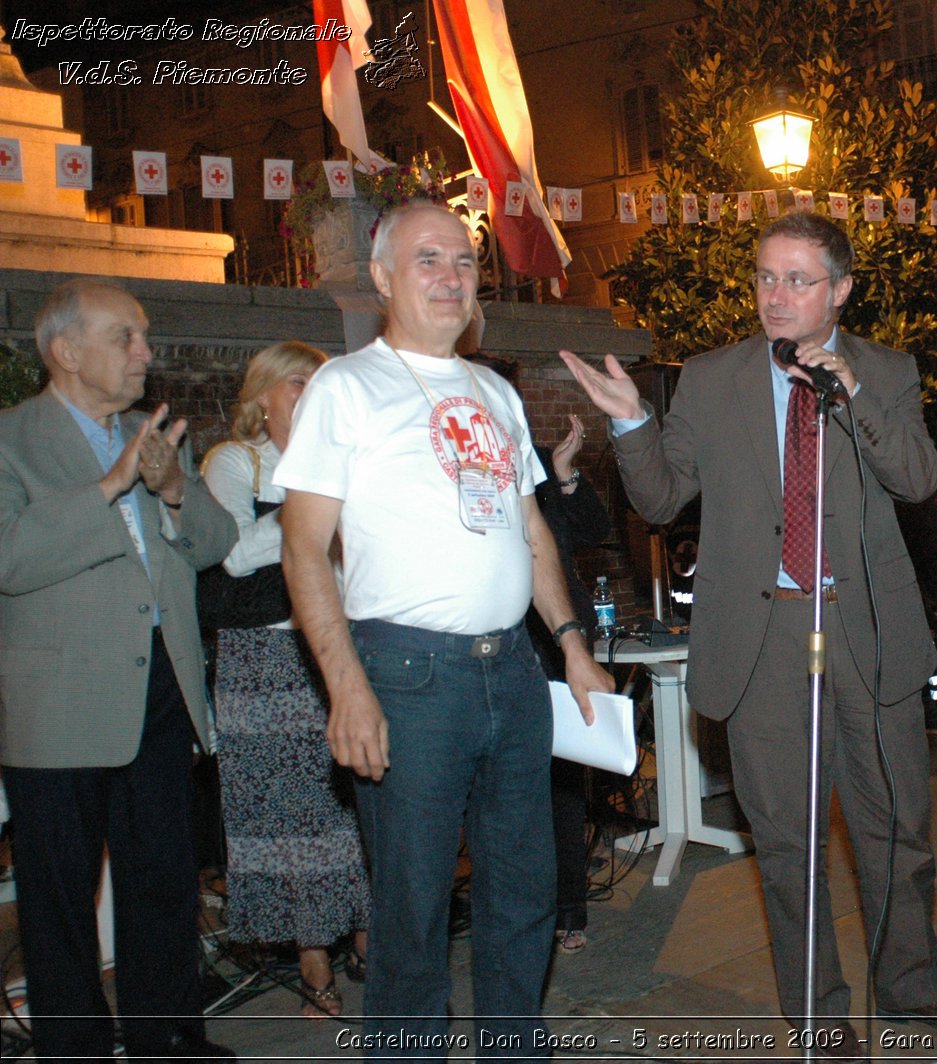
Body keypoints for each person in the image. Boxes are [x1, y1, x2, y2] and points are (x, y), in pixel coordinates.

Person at [560, 211, 937, 1058]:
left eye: (798, 280)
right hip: (762, 641)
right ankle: (818, 1015)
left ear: (839, 290)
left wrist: (852, 393)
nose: (776, 295)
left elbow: (918, 477)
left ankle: (911, 989)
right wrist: (627, 425)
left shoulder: (886, 370)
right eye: (765, 277)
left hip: (866, 629)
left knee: (897, 832)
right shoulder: (713, 379)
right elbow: (657, 500)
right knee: (790, 846)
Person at [276, 200, 612, 1059]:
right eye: (428, 260)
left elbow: (531, 531)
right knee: (414, 906)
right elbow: (304, 548)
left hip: (512, 675)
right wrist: (345, 685)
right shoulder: (345, 388)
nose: (452, 277)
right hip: (407, 674)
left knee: (523, 893)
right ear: (384, 276)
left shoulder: (495, 391)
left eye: (463, 262)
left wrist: (571, 644)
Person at [0, 278, 238, 1062]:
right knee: (59, 900)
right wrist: (113, 484)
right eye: (125, 338)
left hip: (162, 688)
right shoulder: (11, 438)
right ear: (64, 351)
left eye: (144, 336)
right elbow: (11, 559)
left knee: (164, 883)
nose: (146, 353)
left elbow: (214, 544)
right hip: (60, 704)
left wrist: (171, 489)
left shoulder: (157, 433)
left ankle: (168, 1039)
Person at [201, 342, 370, 1019]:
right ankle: (313, 963)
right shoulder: (233, 462)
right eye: (300, 382)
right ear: (263, 394)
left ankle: (367, 937)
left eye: (320, 382)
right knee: (285, 818)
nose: (312, 393)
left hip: (340, 649)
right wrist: (310, 500)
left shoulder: (343, 461)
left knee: (350, 807)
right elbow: (235, 557)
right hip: (265, 664)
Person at [525, 415, 613, 954]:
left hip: (557, 639)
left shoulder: (533, 456)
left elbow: (593, 531)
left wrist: (564, 474)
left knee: (561, 784)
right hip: (497, 637)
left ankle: (567, 910)